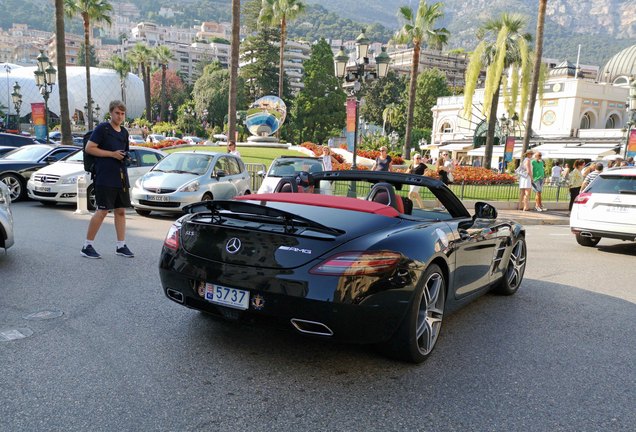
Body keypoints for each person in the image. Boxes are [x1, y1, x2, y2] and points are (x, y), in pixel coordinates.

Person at [80, 100, 133, 259]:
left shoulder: (124, 132)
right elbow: (89, 148)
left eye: (122, 113)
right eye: (117, 113)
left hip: (121, 177)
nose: (120, 116)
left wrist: (125, 157)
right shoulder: (102, 129)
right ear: (110, 112)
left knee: (121, 211)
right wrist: (112, 154)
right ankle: (87, 245)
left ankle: (120, 245)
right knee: (102, 210)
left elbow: (123, 151)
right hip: (104, 176)